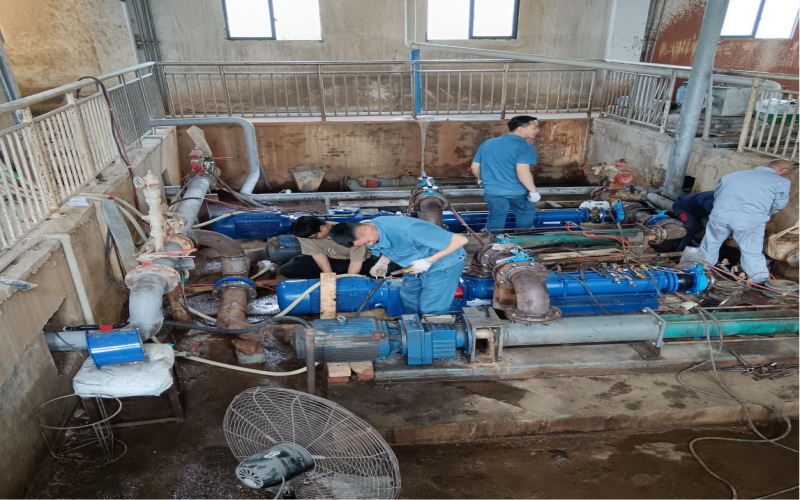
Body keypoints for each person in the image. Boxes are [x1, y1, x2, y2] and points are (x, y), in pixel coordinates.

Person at [330, 217, 468, 316]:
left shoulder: (406, 229)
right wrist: (382, 262)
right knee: (409, 296)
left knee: (432, 306)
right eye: (366, 244)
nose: (370, 244)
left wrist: (428, 261)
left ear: (364, 229)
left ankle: (432, 334)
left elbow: (460, 240)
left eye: (368, 242)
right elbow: (391, 247)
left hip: (443, 263)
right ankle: (414, 326)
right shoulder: (371, 233)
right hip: (414, 264)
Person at [699, 159, 793, 283]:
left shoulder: (731, 176)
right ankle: (760, 281)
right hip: (749, 220)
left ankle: (700, 273)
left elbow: (717, 196)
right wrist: (765, 214)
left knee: (709, 245)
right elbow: (778, 204)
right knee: (751, 252)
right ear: (783, 170)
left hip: (720, 216)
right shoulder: (781, 182)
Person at [470, 115, 540, 233]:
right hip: (517, 191)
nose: (537, 130)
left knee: (496, 218)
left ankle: (492, 242)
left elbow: (475, 167)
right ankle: (522, 239)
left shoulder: (487, 143)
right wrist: (533, 191)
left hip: (493, 191)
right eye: (534, 128)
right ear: (520, 129)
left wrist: (481, 179)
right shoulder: (525, 147)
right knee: (525, 214)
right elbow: (522, 171)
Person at [280, 216, 393, 279]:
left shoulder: (348, 232)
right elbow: (319, 255)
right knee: (288, 270)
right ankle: (339, 274)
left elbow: (356, 261)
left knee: (389, 269)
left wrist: (349, 280)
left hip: (356, 261)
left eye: (313, 237)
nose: (311, 240)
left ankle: (346, 275)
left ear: (323, 228)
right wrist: (329, 277)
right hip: (331, 260)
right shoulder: (305, 235)